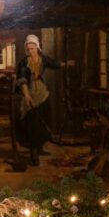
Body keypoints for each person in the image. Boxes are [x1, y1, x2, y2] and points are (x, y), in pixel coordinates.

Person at [14, 34, 73, 166]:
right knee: (32, 122)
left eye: (32, 48)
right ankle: (33, 152)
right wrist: (27, 96)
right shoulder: (23, 63)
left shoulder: (43, 59)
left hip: (42, 92)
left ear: (37, 48)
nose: (30, 51)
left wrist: (66, 64)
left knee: (44, 120)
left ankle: (40, 147)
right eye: (28, 49)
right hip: (29, 92)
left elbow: (54, 63)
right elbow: (22, 81)